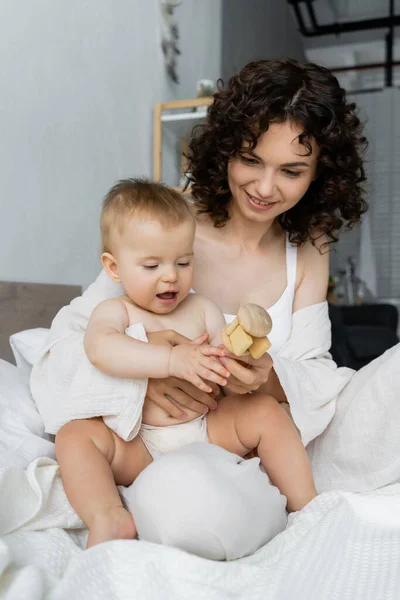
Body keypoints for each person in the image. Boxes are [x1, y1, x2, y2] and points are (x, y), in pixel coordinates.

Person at [33, 57, 390, 561]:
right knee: (131, 466)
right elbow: (67, 352)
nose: (266, 189)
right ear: (225, 148)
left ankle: (313, 515)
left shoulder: (307, 247)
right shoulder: (170, 224)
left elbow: (312, 374)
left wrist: (264, 377)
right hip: (151, 441)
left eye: (291, 171)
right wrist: (151, 369)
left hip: (232, 435)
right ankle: (118, 518)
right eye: (250, 159)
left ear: (320, 173)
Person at [55, 179, 316, 548]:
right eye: (151, 265)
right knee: (75, 435)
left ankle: (309, 507)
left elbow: (223, 367)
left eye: (183, 261)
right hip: (140, 443)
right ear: (114, 268)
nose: (170, 276)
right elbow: (100, 349)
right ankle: (108, 516)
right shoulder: (114, 311)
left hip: (207, 428)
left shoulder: (202, 308)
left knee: (265, 410)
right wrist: (170, 359)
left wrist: (238, 363)